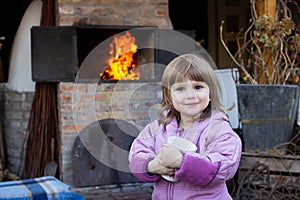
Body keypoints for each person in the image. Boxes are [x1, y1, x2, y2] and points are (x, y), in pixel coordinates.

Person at [128, 53, 242, 199]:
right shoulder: (156, 129)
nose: (190, 95)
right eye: (180, 89)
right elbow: (136, 156)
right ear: (169, 96)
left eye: (198, 87)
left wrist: (182, 162)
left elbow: (223, 167)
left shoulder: (218, 129)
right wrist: (152, 165)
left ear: (210, 93)